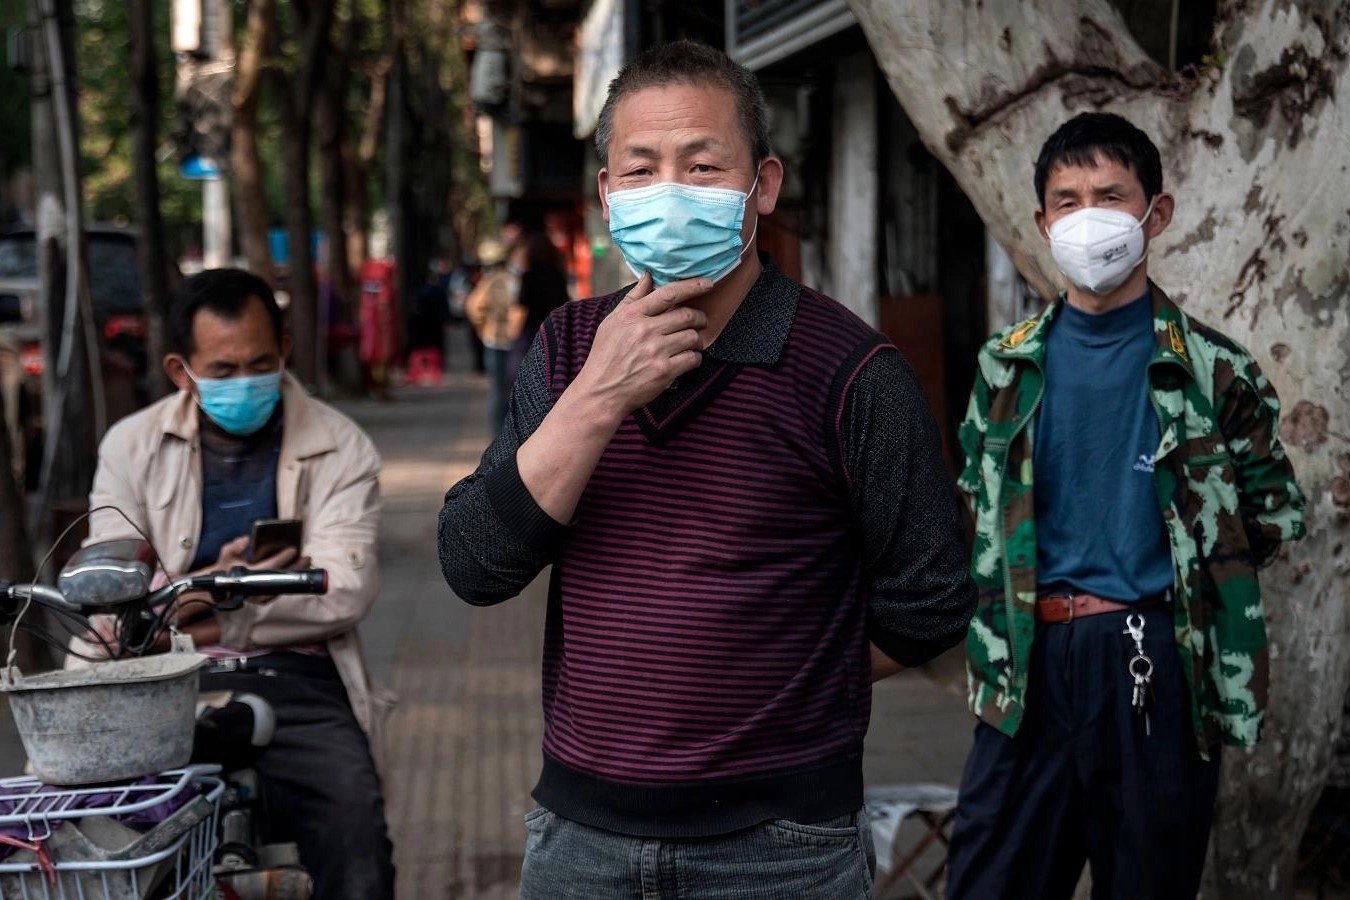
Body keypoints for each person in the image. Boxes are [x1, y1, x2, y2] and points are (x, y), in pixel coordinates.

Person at [438, 40, 976, 899]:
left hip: (783, 847)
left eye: (702, 165)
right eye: (641, 169)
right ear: (608, 194)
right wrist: (598, 396)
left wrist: (783, 679)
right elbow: (474, 565)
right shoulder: (567, 347)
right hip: (580, 840)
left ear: (763, 184)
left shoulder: (852, 372)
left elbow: (932, 597)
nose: (670, 191)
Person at [944, 112, 1306, 900]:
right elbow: (977, 499)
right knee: (989, 880)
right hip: (1027, 668)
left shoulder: (1213, 370)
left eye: (1110, 196)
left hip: (1157, 666)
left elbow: (1272, 514)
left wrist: (1184, 569)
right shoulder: (1004, 368)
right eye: (1067, 201)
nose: (1088, 218)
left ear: (1156, 213)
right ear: (1043, 223)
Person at [84, 268, 396, 900]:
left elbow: (343, 589)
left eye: (259, 364)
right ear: (181, 370)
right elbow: (109, 598)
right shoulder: (129, 447)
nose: (245, 382)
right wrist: (223, 583)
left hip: (295, 675)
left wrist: (204, 615)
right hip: (157, 681)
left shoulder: (342, 447)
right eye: (223, 371)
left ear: (284, 349)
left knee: (355, 831)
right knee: (90, 839)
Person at [464, 239, 527, 433]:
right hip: (498, 342)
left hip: (520, 342)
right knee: (499, 391)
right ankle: (498, 434)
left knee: (519, 390)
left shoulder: (527, 279)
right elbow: (474, 306)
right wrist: (485, 329)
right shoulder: (496, 279)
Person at [510, 232, 571, 372]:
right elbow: (563, 301)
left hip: (532, 326)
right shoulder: (558, 274)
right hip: (554, 325)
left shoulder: (528, 275)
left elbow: (522, 304)